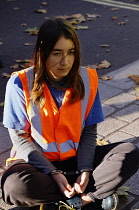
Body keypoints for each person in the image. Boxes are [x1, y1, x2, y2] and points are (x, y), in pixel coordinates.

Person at [1, 17, 139, 210]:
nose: (65, 62)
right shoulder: (19, 83)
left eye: (71, 53)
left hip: (77, 159)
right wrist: (53, 172)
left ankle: (80, 199)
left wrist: (85, 170)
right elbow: (20, 139)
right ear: (42, 53)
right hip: (38, 163)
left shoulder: (88, 79)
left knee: (130, 152)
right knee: (13, 186)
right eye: (57, 53)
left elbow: (89, 133)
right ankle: (92, 195)